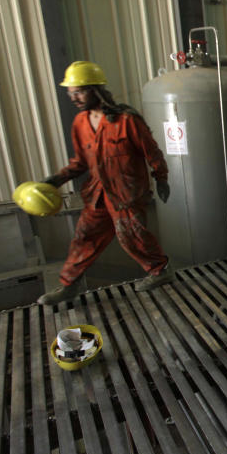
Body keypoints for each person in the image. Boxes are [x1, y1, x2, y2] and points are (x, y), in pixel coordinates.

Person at [37, 61, 173, 305]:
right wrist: (56, 180)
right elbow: (80, 162)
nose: (74, 97)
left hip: (127, 193)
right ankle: (69, 285)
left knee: (132, 236)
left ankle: (160, 272)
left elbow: (152, 152)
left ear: (96, 90)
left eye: (79, 91)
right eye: (71, 92)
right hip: (98, 194)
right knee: (84, 237)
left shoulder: (127, 120)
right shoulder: (80, 123)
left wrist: (161, 178)